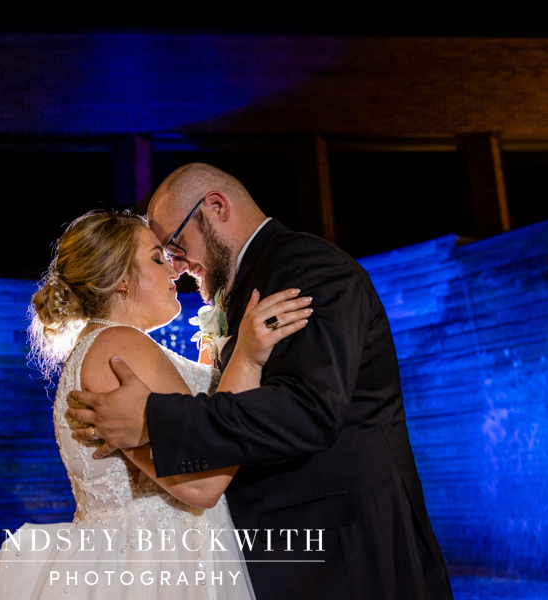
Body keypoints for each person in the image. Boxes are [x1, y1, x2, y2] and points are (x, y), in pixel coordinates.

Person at [68, 164, 454, 600]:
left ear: (214, 207)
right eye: (162, 255)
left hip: (343, 554)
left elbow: (308, 408)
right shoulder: (247, 282)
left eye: (174, 245)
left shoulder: (301, 264)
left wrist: (153, 420)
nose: (176, 265)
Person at [0, 209, 314, 600]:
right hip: (155, 565)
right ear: (122, 281)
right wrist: (246, 357)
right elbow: (203, 482)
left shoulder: (103, 345)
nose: (173, 270)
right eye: (158, 258)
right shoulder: (118, 346)